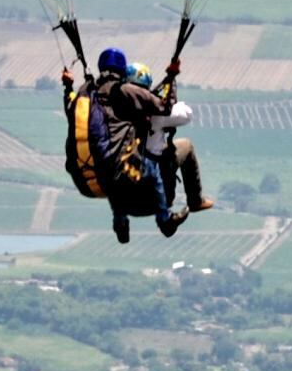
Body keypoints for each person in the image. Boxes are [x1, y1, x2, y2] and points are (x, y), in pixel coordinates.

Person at [88, 47, 210, 238]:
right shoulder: (156, 112)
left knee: (114, 170)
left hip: (125, 193)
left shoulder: (110, 109)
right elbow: (186, 113)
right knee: (185, 146)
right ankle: (195, 201)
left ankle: (120, 222)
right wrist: (171, 81)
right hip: (153, 195)